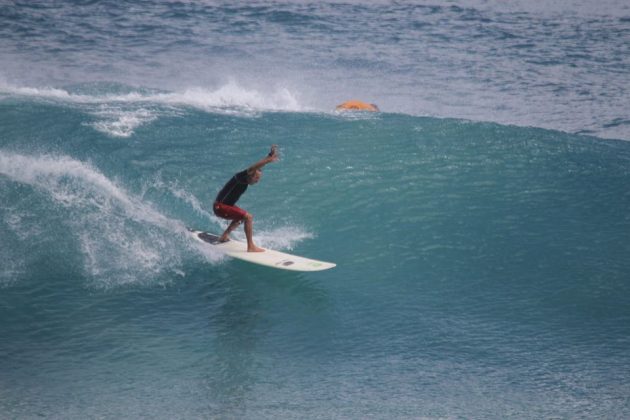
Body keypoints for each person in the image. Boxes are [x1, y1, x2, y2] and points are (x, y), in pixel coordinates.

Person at [213, 145, 279, 252]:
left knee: (240, 217)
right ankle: (251, 246)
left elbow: (255, 169)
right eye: (256, 178)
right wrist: (268, 160)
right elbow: (253, 168)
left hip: (223, 206)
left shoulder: (244, 180)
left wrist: (268, 156)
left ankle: (224, 236)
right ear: (250, 175)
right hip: (220, 207)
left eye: (259, 179)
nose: (258, 181)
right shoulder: (240, 177)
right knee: (248, 217)